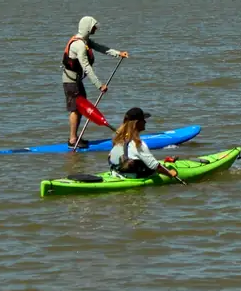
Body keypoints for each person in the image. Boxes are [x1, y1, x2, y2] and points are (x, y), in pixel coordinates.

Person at [62, 15, 129, 149]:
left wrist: (118, 53)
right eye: (93, 27)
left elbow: (101, 48)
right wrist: (99, 85)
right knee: (75, 109)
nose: (95, 29)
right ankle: (72, 140)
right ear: (87, 28)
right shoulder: (79, 45)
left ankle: (75, 138)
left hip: (76, 82)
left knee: (80, 109)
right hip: (70, 82)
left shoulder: (85, 41)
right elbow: (86, 67)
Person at [108, 107, 179, 180]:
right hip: (132, 177)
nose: (145, 122)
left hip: (115, 173)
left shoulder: (118, 139)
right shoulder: (138, 144)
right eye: (143, 120)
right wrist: (170, 173)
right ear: (137, 123)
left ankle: (166, 160)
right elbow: (154, 166)